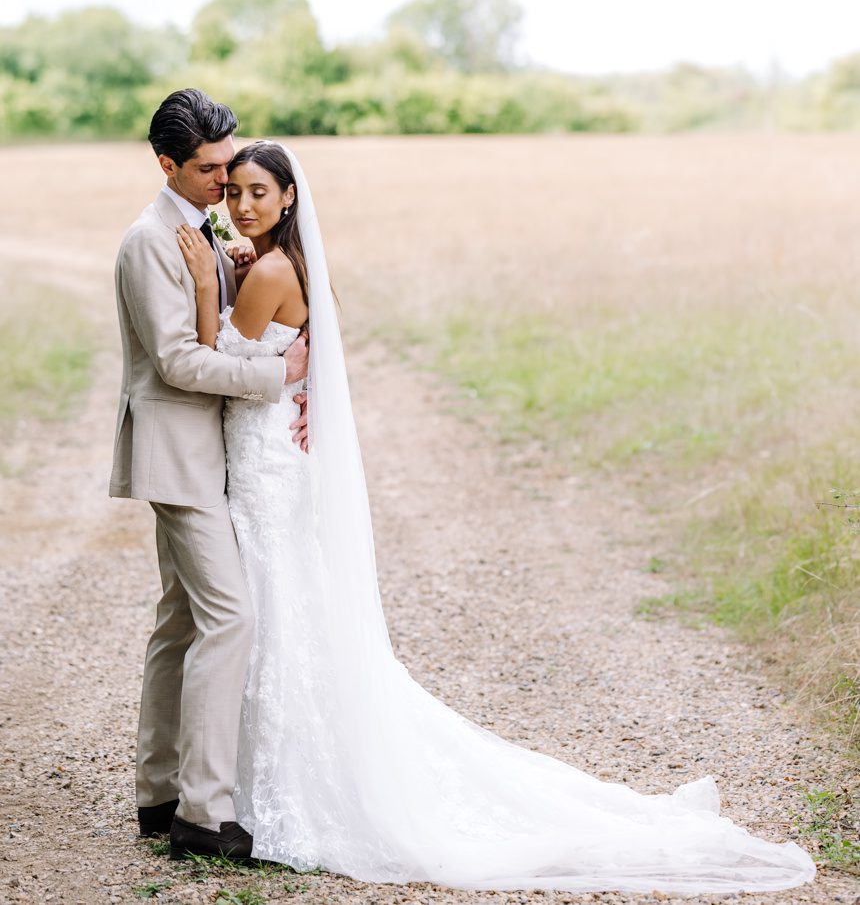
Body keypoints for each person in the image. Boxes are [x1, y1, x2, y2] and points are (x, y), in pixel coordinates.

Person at [175, 137, 817, 893]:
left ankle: (265, 787)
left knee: (273, 611)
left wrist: (206, 287)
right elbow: (283, 352)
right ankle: (258, 778)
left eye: (259, 193)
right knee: (287, 610)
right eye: (237, 192)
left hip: (263, 466)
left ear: (289, 199)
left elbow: (218, 366)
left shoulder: (270, 270)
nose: (244, 205)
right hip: (280, 458)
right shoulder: (296, 265)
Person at [110, 91, 309, 864]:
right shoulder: (147, 242)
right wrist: (279, 377)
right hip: (180, 453)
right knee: (232, 617)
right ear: (168, 166)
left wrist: (227, 274)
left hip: (211, 450)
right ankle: (203, 810)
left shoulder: (202, 229)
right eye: (211, 171)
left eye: (234, 170)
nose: (226, 187)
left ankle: (158, 795)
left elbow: (224, 323)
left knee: (182, 620)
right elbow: (178, 361)